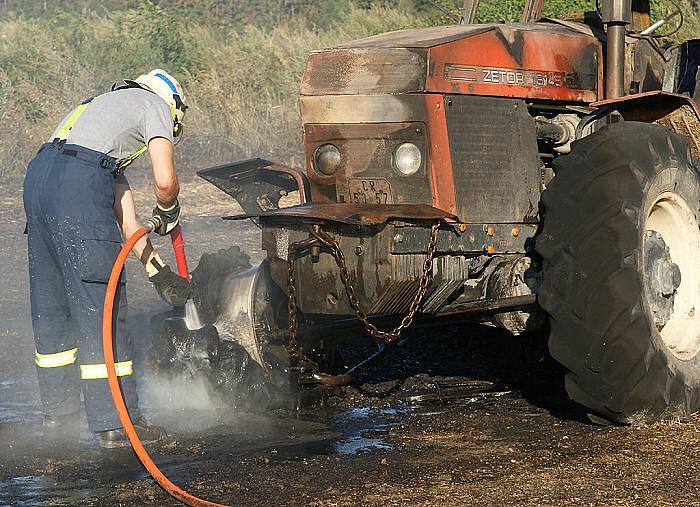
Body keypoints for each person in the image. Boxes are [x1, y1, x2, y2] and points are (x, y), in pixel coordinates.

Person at [23, 69, 192, 448]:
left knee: (53, 309)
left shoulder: (99, 115)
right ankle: (116, 425)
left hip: (39, 181)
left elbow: (127, 221)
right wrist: (169, 208)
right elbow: (165, 182)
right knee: (103, 305)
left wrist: (159, 273)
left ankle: (59, 422)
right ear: (174, 105)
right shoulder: (155, 105)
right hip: (77, 187)